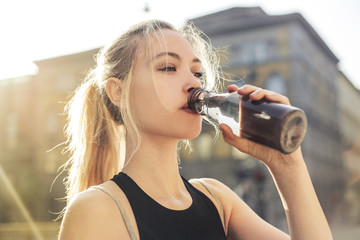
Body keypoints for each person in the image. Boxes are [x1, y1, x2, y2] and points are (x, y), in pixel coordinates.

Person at [58, 20, 333, 240]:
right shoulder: (98, 210)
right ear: (119, 91)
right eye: (168, 67)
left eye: (197, 73)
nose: (193, 83)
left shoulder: (218, 200)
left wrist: (286, 162)